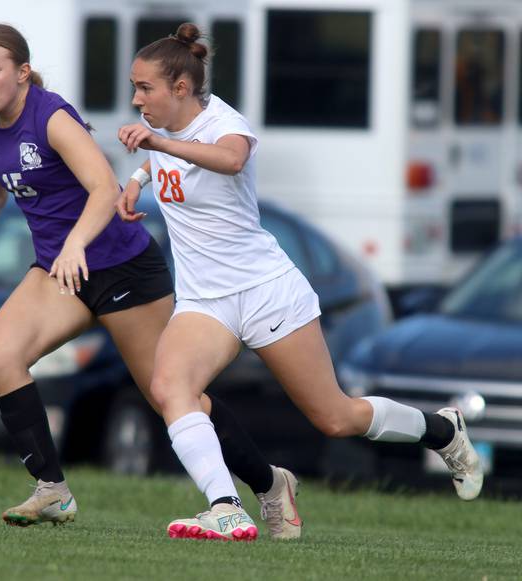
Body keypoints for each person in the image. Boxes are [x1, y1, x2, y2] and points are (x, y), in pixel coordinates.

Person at [117, 22, 483, 541]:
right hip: (205, 300)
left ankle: (444, 431)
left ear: (180, 89)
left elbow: (230, 158)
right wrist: (134, 182)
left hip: (267, 290)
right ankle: (226, 506)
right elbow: (161, 159)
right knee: (169, 387)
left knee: (335, 418)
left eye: (144, 88)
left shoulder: (223, 122)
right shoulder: (162, 128)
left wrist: (156, 143)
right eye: (134, 88)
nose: (136, 100)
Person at [0, 24, 289, 537]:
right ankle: (51, 490)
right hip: (62, 271)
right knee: (0, 355)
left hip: (122, 268)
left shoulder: (52, 117)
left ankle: (269, 483)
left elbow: (103, 185)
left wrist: (77, 243)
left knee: (170, 397)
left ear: (22, 72)